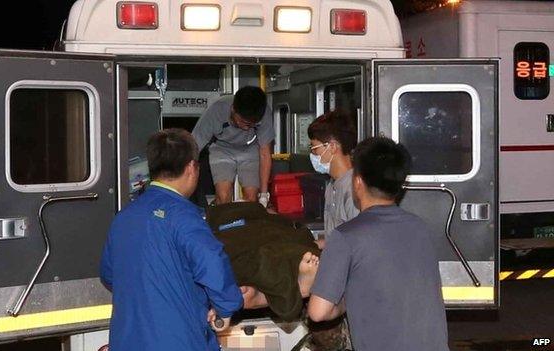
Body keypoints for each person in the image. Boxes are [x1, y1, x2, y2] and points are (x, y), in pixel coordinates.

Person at [100, 129, 243, 351]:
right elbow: (213, 265)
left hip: (127, 340)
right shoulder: (185, 218)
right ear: (191, 168)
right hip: (179, 340)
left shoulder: (124, 217)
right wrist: (225, 308)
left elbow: (109, 274)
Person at [308, 137, 449, 351]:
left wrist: (346, 299)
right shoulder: (420, 227)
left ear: (357, 182)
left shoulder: (345, 237)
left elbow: (318, 312)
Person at [192, 86, 274, 206]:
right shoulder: (217, 110)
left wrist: (263, 195)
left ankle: (245, 223)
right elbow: (194, 146)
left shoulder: (264, 111)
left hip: (250, 149)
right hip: (221, 148)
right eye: (244, 122)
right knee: (223, 197)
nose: (247, 128)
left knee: (251, 199)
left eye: (252, 125)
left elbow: (265, 153)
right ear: (233, 109)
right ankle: (222, 220)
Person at [307, 110, 359, 249]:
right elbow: (335, 239)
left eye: (314, 148)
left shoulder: (355, 188)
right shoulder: (332, 185)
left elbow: (357, 244)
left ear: (332, 147)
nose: (313, 155)